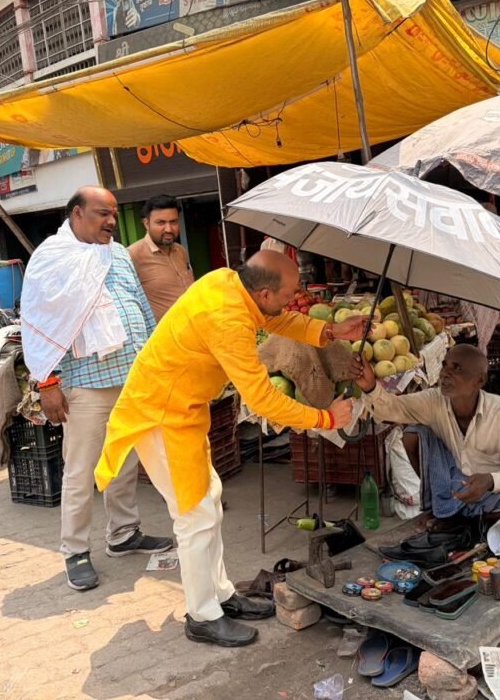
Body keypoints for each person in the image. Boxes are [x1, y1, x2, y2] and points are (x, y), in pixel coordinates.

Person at [96, 250, 362, 648]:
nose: (294, 298)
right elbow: (264, 400)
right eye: (289, 293)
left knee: (210, 503)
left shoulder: (232, 284)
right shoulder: (228, 319)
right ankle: (202, 616)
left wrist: (330, 332)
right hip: (160, 416)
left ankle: (220, 595)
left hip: (182, 410)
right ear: (265, 292)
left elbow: (277, 318)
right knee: (194, 516)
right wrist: (325, 418)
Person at [21, 186, 172, 592]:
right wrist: (47, 383)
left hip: (132, 376)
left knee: (125, 461)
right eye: (102, 213)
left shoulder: (117, 253)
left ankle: (124, 534)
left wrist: (157, 361)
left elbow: (140, 307)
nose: (111, 221)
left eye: (114, 214)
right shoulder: (51, 258)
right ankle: (75, 550)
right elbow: (38, 322)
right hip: (86, 383)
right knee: (81, 470)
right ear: (77, 214)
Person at [352, 344, 500, 526]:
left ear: (479, 381)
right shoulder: (433, 401)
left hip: (494, 493)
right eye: (445, 365)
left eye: (457, 368)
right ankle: (443, 508)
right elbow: (394, 408)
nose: (445, 373)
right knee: (412, 435)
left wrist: (491, 480)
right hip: (453, 489)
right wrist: (370, 387)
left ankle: (462, 520)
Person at [128, 195, 195, 321]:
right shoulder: (133, 255)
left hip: (194, 325)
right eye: (161, 223)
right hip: (164, 331)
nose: (168, 229)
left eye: (173, 222)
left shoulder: (180, 251)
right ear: (146, 223)